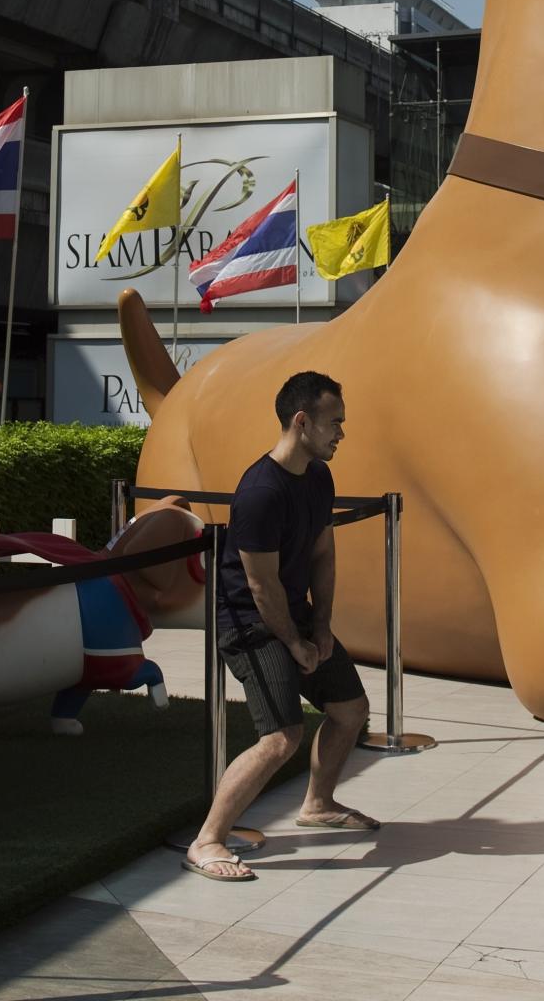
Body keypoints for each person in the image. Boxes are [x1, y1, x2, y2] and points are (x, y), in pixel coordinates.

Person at [183, 371, 377, 881]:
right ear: (301, 420)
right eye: (334, 422)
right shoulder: (260, 492)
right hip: (249, 621)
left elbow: (323, 553)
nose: (341, 433)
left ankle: (318, 804)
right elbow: (260, 585)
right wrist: (293, 642)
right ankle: (206, 841)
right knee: (280, 738)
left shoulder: (318, 476)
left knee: (351, 709)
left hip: (295, 612)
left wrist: (323, 628)